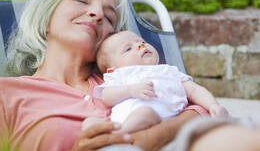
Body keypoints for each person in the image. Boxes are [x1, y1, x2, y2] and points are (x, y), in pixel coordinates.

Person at [0, 0, 258, 151]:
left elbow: (200, 111)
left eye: (110, 16)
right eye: (82, 0)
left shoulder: (126, 77)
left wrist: (148, 139)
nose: (98, 13)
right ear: (45, 19)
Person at [82, 31, 229, 134]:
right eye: (128, 49)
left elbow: (195, 90)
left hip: (157, 121)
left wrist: (212, 105)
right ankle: (112, 134)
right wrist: (130, 90)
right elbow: (106, 97)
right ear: (111, 69)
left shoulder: (169, 71)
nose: (140, 45)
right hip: (120, 120)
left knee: (145, 113)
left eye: (141, 42)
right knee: (90, 121)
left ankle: (118, 136)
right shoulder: (119, 75)